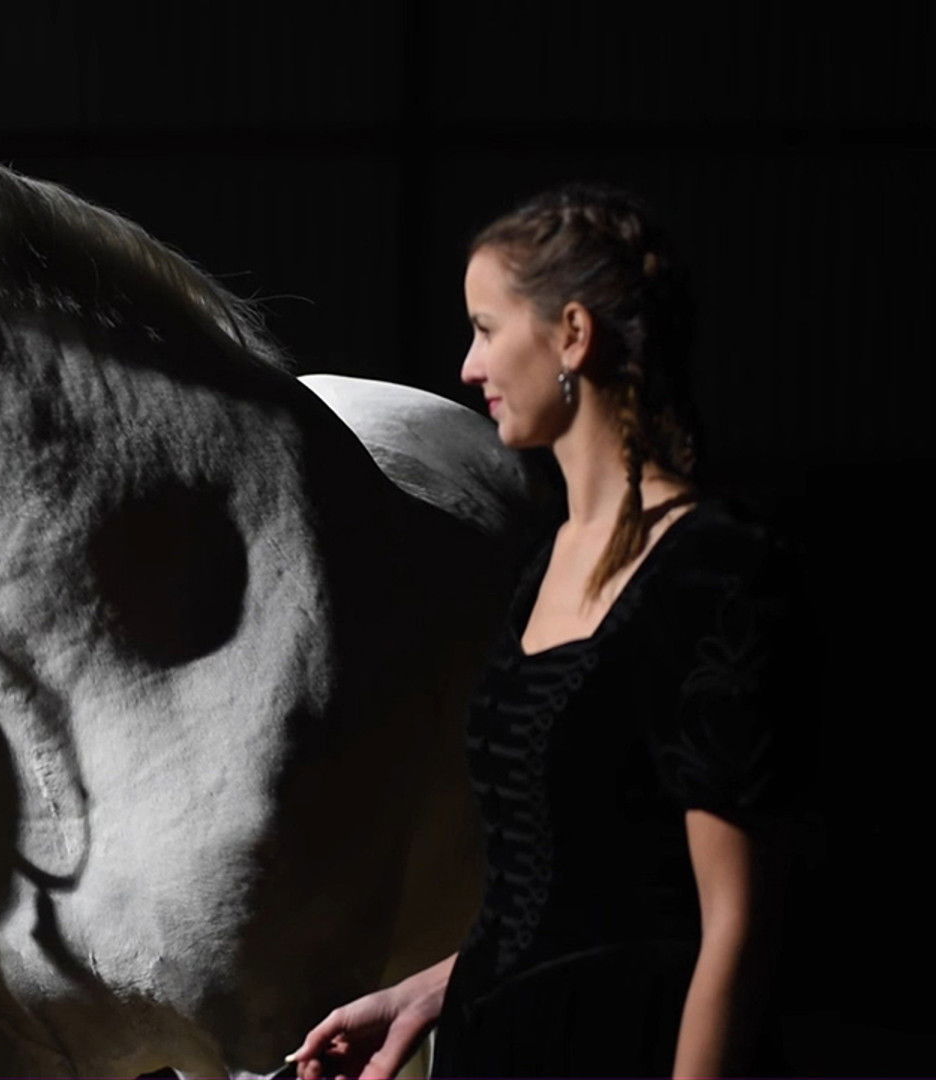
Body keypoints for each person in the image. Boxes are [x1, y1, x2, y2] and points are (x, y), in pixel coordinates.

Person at [285, 184, 816, 1078]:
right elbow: (564, 900)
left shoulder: (716, 571)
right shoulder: (546, 561)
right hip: (501, 1046)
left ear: (573, 335)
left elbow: (733, 925)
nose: (468, 368)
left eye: (486, 329)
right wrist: (425, 994)